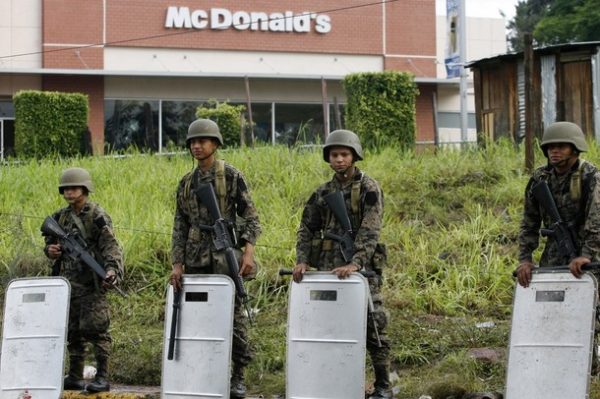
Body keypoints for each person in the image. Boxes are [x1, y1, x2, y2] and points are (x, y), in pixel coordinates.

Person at [292, 129, 393, 399]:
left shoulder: (368, 188)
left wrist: (357, 262)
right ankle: (331, 380)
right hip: (328, 269)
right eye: (334, 155)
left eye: (344, 154)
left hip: (361, 271)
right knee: (326, 325)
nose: (339, 159)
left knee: (374, 324)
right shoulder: (322, 192)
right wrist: (302, 260)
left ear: (354, 156)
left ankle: (383, 383)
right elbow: (306, 228)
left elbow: (371, 229)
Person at [169, 118, 261, 399]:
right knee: (198, 318)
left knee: (233, 318)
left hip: (224, 258)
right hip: (196, 259)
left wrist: (248, 251)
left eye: (202, 141)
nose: (197, 146)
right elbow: (180, 226)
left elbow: (252, 217)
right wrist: (177, 264)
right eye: (192, 142)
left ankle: (238, 376)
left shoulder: (231, 176)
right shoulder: (186, 183)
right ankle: (203, 372)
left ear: (216, 144)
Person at [43, 167, 123, 392]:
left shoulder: (96, 215)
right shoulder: (61, 217)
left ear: (85, 189)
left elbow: (111, 246)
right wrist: (51, 250)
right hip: (67, 285)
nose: (69, 192)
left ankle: (103, 377)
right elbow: (49, 243)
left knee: (97, 330)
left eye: (74, 188)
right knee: (72, 331)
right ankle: (76, 375)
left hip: (91, 283)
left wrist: (112, 270)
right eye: (66, 188)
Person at [516, 121, 600, 286]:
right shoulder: (540, 178)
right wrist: (525, 259)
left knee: (591, 306)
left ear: (575, 149)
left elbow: (597, 222)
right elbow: (529, 223)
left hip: (590, 257)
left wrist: (586, 255)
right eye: (550, 147)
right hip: (555, 255)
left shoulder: (590, 177)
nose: (554, 151)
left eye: (561, 146)